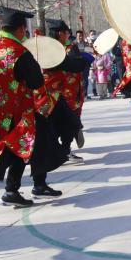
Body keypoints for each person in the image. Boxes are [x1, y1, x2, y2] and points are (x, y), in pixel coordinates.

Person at [0, 7, 67, 206]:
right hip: (15, 111)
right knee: (22, 146)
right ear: (20, 29)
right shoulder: (17, 51)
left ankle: (37, 184)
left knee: (35, 143)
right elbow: (36, 82)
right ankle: (13, 190)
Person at [39, 20, 93, 162]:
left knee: (63, 124)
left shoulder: (53, 47)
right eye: (66, 32)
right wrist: (84, 61)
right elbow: (71, 65)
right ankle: (60, 153)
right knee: (65, 124)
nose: (68, 35)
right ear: (59, 34)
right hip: (55, 95)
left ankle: (60, 152)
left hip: (59, 94)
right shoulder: (53, 49)